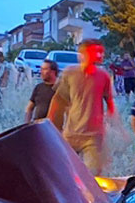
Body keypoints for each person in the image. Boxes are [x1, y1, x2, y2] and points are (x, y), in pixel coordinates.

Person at [48, 38, 116, 175]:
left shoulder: (104, 76)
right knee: (65, 174)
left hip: (93, 136)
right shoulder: (70, 73)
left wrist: (114, 123)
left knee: (93, 177)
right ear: (84, 54)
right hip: (71, 133)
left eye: (102, 52)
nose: (101, 55)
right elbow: (58, 101)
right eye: (97, 52)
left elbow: (110, 102)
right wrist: (53, 127)